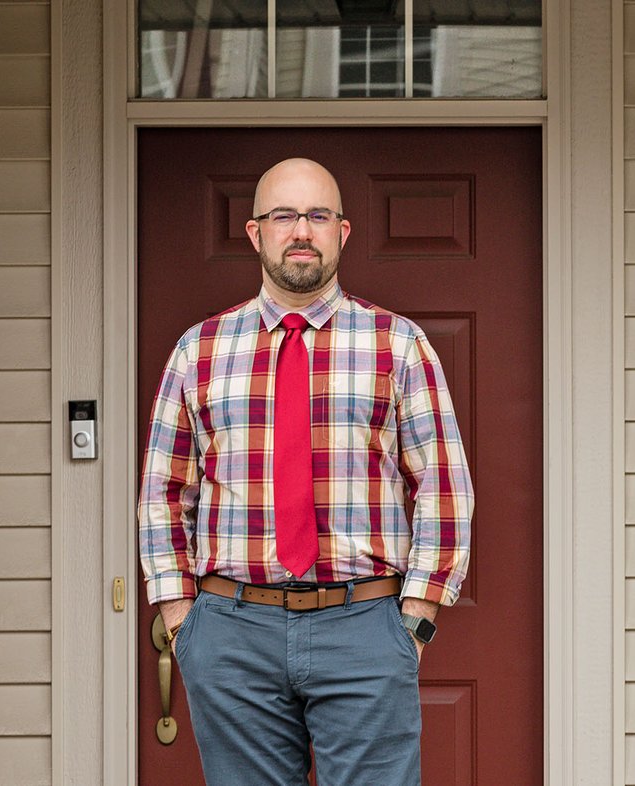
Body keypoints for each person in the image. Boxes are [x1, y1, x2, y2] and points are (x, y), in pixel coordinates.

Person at [138, 157, 473, 785]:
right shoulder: (199, 351)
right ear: (255, 232)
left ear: (342, 233)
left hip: (364, 625)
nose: (301, 230)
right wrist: (183, 619)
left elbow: (443, 486)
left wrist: (415, 620)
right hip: (231, 631)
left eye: (318, 216)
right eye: (283, 215)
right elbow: (164, 492)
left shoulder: (397, 346)